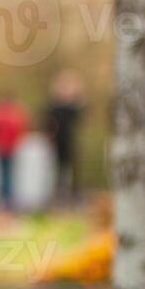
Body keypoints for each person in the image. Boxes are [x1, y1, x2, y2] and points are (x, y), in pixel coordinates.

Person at [44, 69, 86, 204]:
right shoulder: (53, 106)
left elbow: (80, 115)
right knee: (57, 168)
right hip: (57, 142)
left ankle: (70, 193)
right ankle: (58, 194)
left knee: (69, 168)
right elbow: (47, 121)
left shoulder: (71, 107)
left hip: (69, 141)